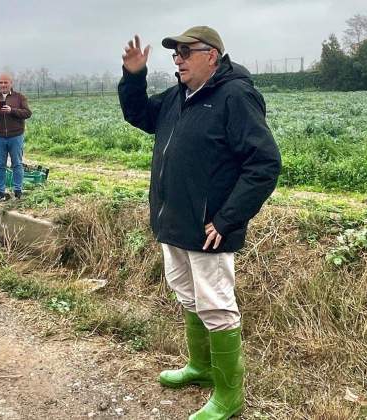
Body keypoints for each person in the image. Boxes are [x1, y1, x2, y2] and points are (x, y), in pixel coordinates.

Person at [118, 26, 281, 420]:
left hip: (209, 228)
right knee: (188, 296)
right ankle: (202, 367)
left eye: (186, 52)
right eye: (174, 53)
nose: (177, 59)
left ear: (212, 55)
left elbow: (264, 164)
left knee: (216, 305)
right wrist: (134, 76)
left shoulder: (235, 96)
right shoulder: (179, 96)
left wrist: (227, 219)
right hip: (174, 219)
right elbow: (139, 115)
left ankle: (229, 395)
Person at [0, 73, 32, 203]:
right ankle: (0, 192)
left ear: (11, 83)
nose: (3, 85)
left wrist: (12, 110)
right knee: (0, 165)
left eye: (6, 82)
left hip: (16, 136)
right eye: (1, 83)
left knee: (17, 164)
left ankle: (18, 190)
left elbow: (27, 113)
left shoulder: (19, 97)